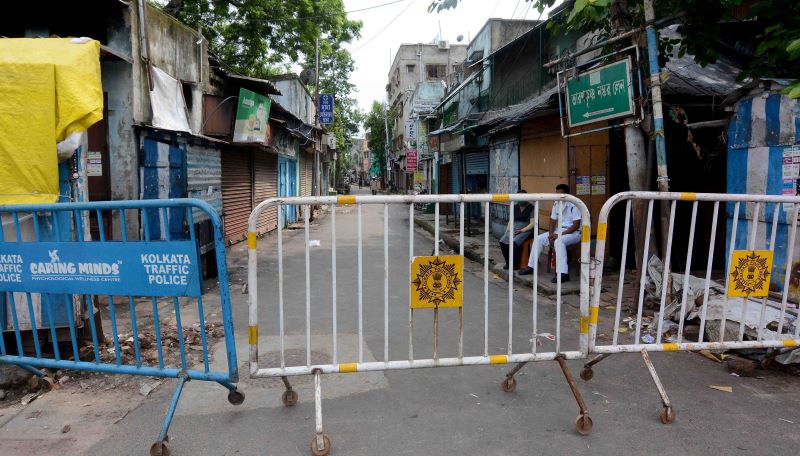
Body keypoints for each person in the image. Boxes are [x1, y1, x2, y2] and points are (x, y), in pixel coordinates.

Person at [518, 184, 581, 283]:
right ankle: (531, 267)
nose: (558, 196)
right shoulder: (556, 203)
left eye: (560, 194)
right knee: (538, 239)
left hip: (574, 233)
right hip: (559, 230)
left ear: (566, 194)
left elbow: (576, 226)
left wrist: (559, 235)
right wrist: (551, 233)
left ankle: (563, 274)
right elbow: (552, 221)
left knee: (558, 241)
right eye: (557, 194)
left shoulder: (574, 205)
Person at [498, 190, 535, 270]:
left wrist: (522, 230)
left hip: (527, 231)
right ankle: (508, 263)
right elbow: (510, 221)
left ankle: (515, 265)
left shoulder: (532, 208)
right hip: (514, 229)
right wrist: (507, 231)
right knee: (502, 241)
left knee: (514, 243)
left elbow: (532, 224)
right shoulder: (514, 207)